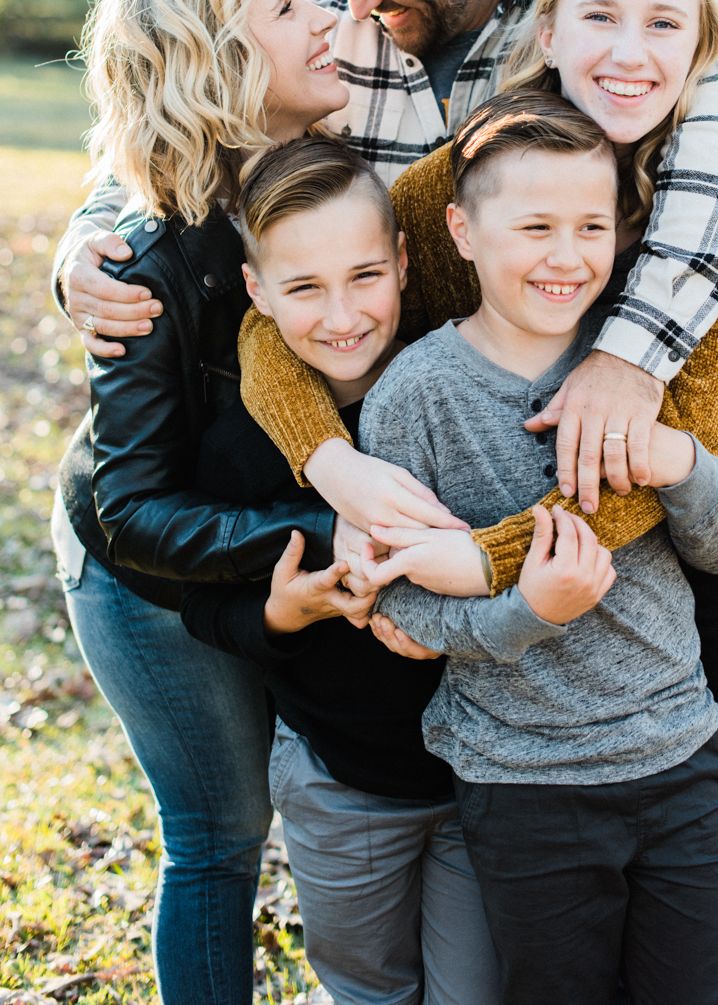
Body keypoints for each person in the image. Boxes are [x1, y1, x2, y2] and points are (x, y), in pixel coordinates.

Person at [239, 0, 718, 1005]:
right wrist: (332, 466)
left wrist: (482, 559)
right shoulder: (475, 182)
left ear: (700, 48)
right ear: (548, 27)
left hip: (712, 566)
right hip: (532, 693)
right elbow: (274, 325)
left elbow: (673, 450)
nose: (629, 55)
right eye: (599, 20)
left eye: (665, 28)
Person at [54, 0, 718, 520]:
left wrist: (629, 358)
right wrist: (94, 229)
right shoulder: (322, 25)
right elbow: (184, 104)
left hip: (569, 429)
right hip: (388, 435)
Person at [53, 0, 462, 1005]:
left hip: (264, 543)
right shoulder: (146, 259)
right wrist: (323, 533)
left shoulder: (313, 172)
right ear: (220, 64)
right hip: (144, 569)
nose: (325, 14)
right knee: (222, 831)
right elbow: (130, 506)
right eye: (289, 7)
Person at [361, 91, 718, 1005]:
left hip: (679, 757)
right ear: (461, 230)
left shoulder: (638, 360)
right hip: (522, 783)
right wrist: (526, 614)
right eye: (534, 226)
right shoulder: (415, 398)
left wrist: (677, 458)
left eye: (592, 225)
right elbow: (399, 602)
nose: (568, 256)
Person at [179, 137, 501, 1005]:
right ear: (256, 293)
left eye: (365, 276)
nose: (341, 315)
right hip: (339, 784)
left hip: (486, 778)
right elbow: (209, 613)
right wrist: (287, 612)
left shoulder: (460, 393)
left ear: (404, 262)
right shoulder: (243, 444)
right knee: (368, 988)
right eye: (302, 289)